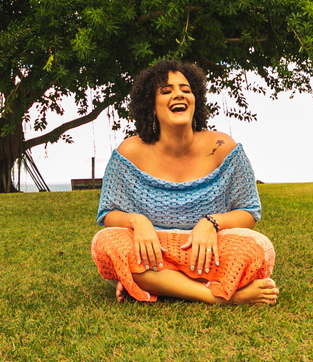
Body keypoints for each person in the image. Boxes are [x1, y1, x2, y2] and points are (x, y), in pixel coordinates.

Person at [90, 60, 279, 306]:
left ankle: (148, 281)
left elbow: (249, 212)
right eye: (166, 91)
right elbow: (108, 213)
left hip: (206, 252)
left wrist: (212, 223)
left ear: (195, 100)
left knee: (258, 249)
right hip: (153, 250)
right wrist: (138, 222)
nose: (178, 94)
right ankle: (220, 298)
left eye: (186, 90)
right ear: (151, 106)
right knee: (106, 242)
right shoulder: (129, 152)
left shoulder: (224, 148)